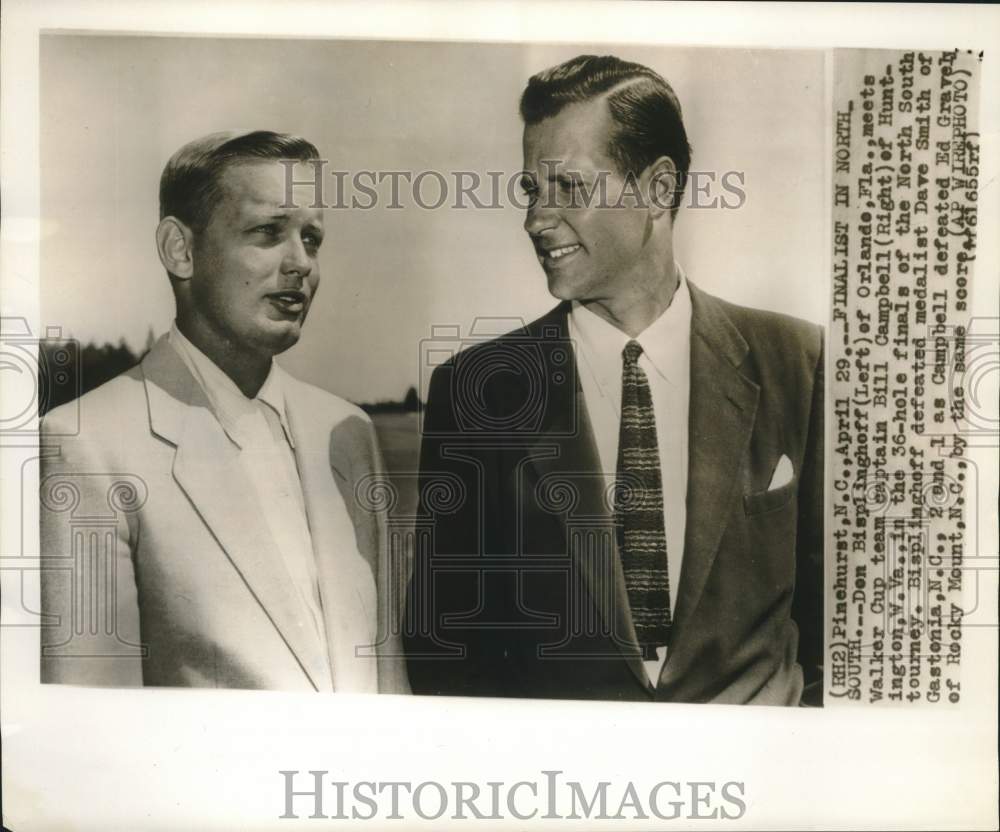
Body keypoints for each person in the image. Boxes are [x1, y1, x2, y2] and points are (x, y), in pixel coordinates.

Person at [404, 55, 823, 706]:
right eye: (531, 192)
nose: (536, 221)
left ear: (657, 188)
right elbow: (445, 656)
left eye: (568, 187)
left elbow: (842, 626)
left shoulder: (800, 362)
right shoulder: (476, 391)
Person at [40, 130, 409, 693]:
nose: (301, 264)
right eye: (267, 232)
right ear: (179, 250)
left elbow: (388, 685)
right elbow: (94, 725)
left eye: (312, 239)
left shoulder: (347, 432)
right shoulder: (87, 442)